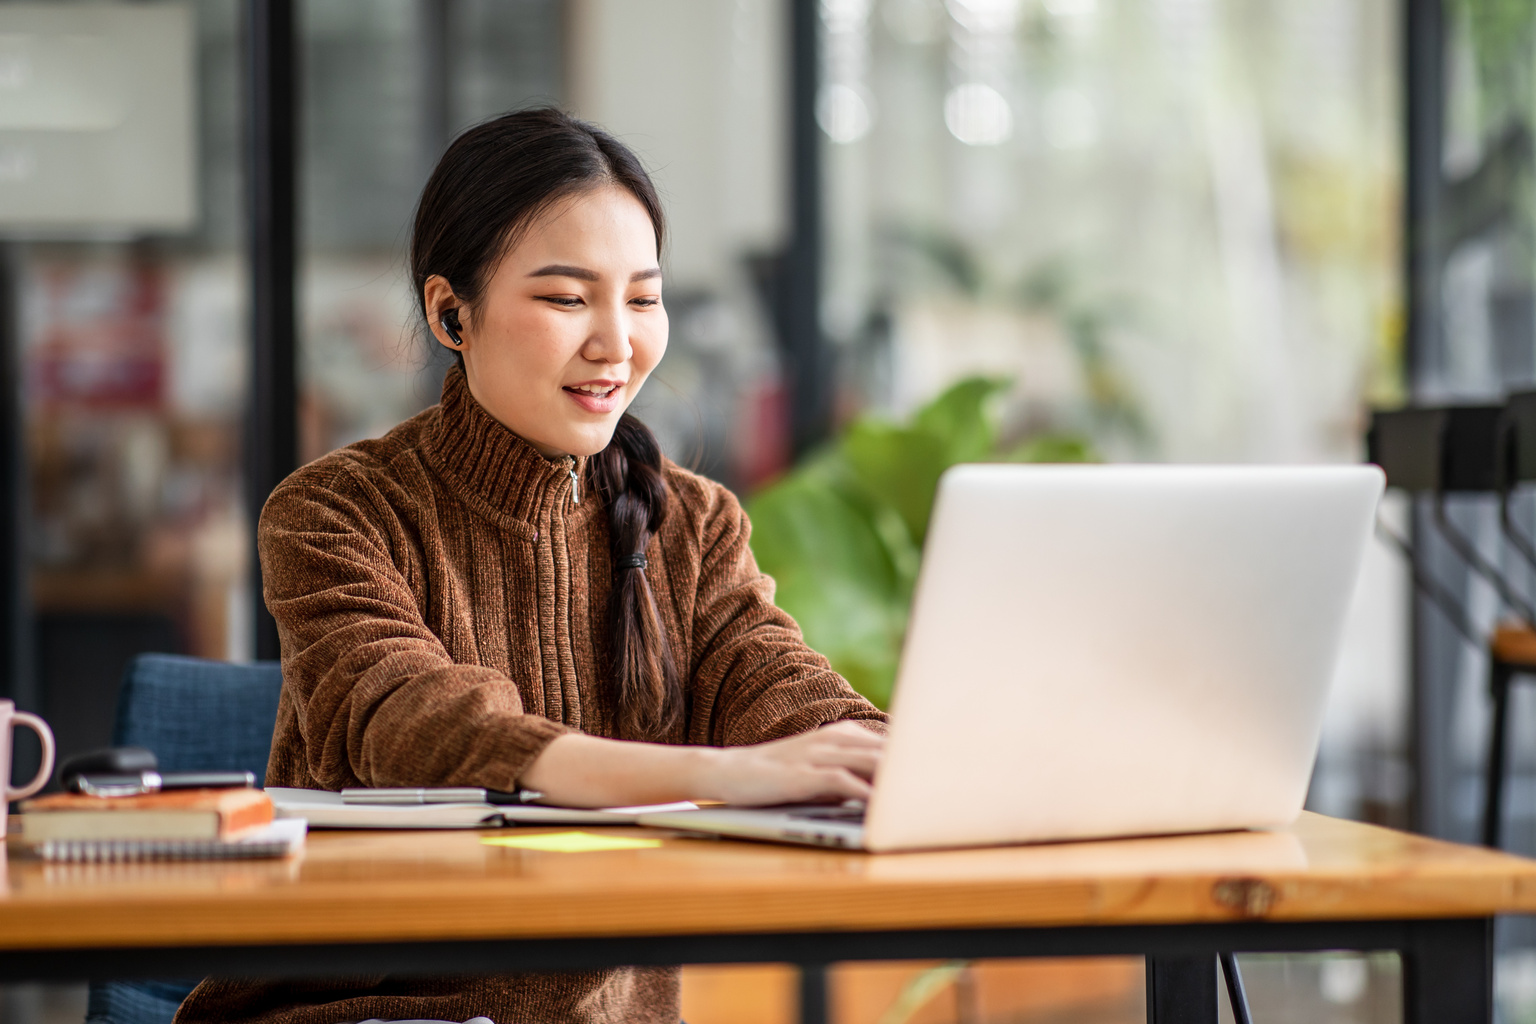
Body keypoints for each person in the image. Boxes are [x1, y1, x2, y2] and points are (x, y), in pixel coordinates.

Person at [173, 108, 886, 1024]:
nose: (617, 344)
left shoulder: (695, 525)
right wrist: (718, 775)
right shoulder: (335, 511)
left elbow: (784, 692)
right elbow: (420, 729)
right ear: (449, 312)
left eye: (641, 297)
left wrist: (896, 757)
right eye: (565, 298)